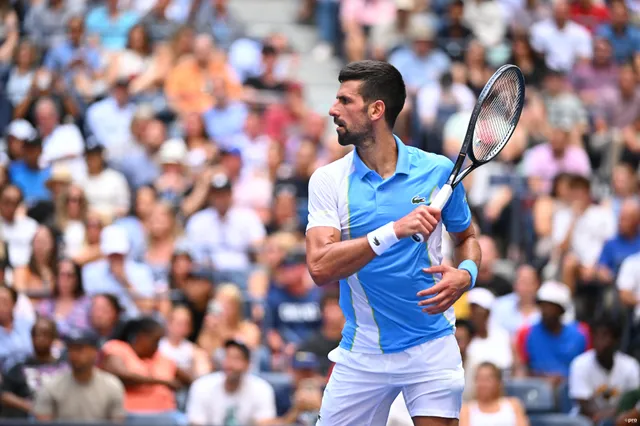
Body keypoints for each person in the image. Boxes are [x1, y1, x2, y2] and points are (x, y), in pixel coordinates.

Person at [305, 60, 481, 425]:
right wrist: (392, 230)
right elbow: (320, 267)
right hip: (363, 348)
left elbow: (467, 238)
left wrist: (466, 274)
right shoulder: (328, 180)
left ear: (376, 110)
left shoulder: (436, 171)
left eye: (344, 101)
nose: (332, 109)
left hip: (431, 344)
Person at [33, 328, 126, 422]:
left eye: (79, 349)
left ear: (95, 352)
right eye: (70, 349)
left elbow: (117, 422)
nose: (74, 354)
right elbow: (43, 421)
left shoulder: (112, 385)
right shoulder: (51, 386)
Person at [186, 339, 277, 426]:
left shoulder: (262, 389)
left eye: (236, 358)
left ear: (247, 365)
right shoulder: (202, 386)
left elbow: (265, 422)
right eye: (227, 356)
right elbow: (196, 423)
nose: (229, 364)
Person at [569, 316, 640, 424]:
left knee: (633, 420)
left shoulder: (630, 365)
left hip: (622, 420)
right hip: (587, 420)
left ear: (616, 340)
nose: (599, 341)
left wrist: (619, 417)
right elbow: (584, 406)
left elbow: (634, 401)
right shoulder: (580, 364)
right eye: (596, 335)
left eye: (605, 335)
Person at [459, 362, 529, 426]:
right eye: (480, 379)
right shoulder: (466, 410)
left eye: (488, 379)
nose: (483, 384)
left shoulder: (514, 405)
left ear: (498, 382)